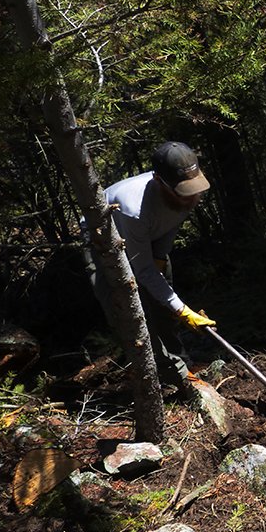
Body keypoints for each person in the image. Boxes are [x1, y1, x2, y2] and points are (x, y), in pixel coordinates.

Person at [84, 141, 216, 392]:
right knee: (129, 312)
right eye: (184, 192)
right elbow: (142, 269)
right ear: (159, 181)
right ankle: (166, 377)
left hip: (147, 238)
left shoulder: (188, 191)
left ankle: (182, 365)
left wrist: (160, 257)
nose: (192, 196)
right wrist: (184, 310)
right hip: (103, 240)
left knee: (162, 305)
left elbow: (169, 225)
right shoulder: (133, 209)